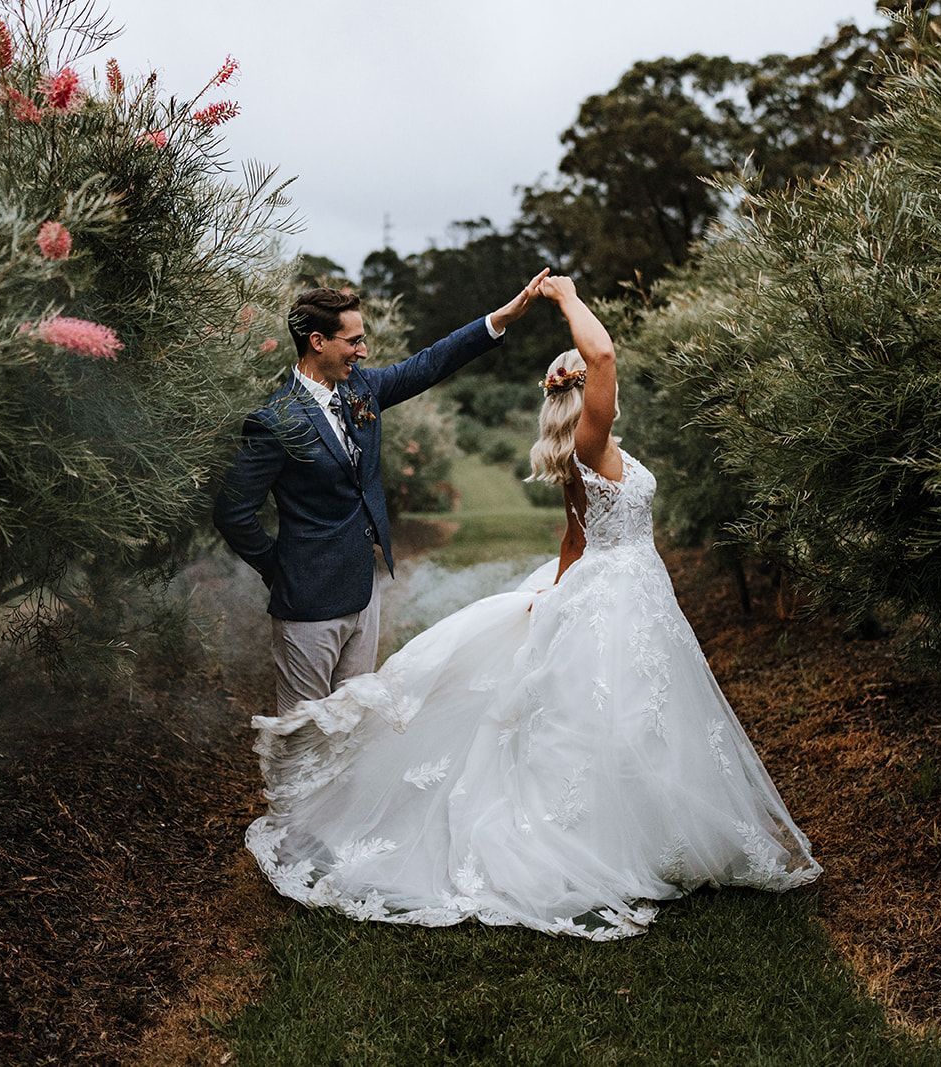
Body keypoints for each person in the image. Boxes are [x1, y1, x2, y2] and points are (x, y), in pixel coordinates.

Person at [244, 276, 821, 941]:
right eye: (353, 337)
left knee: (636, 716)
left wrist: (556, 593)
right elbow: (602, 356)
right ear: (586, 396)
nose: (363, 347)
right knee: (619, 716)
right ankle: (614, 841)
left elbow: (576, 536)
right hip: (621, 594)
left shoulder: (589, 458)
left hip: (622, 589)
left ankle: (655, 830)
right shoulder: (593, 445)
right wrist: (568, 298)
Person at [213, 273, 549, 718]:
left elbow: (430, 363)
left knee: (352, 724)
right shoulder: (276, 421)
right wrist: (281, 567)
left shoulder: (361, 389)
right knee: (303, 731)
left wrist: (498, 320)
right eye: (353, 341)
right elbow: (232, 511)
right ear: (317, 341)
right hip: (308, 603)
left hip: (363, 591)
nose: (363, 351)